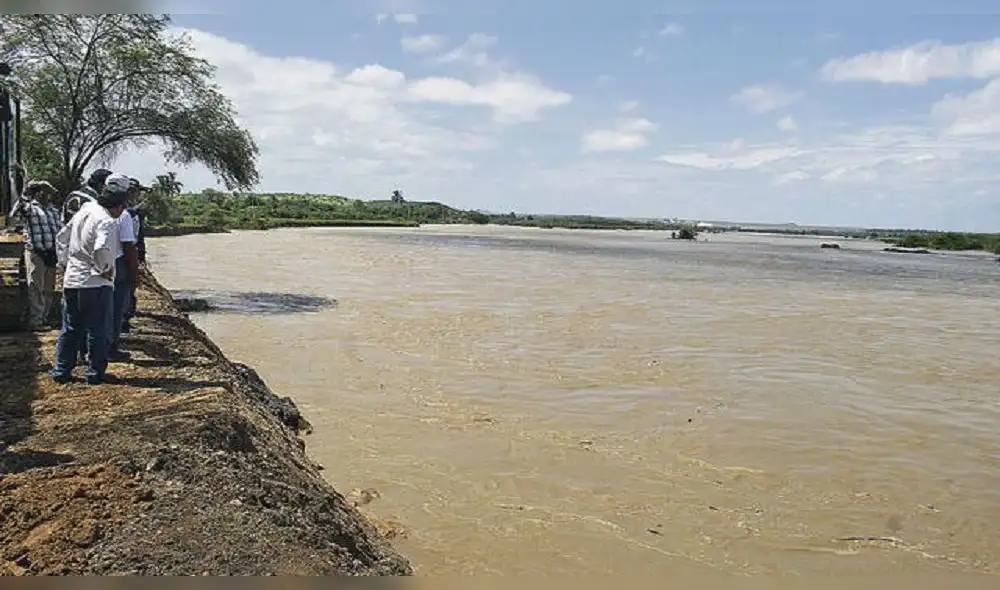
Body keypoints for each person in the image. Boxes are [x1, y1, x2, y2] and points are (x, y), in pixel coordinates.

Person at [50, 180, 128, 385]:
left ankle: (61, 370)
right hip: (95, 284)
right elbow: (102, 248)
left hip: (72, 280)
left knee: (71, 327)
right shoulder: (107, 220)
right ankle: (95, 373)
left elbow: (61, 237)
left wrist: (64, 263)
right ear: (119, 206)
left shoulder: (84, 210)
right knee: (98, 330)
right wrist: (105, 270)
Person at [9, 180, 62, 330]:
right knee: (35, 286)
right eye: (43, 191)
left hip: (51, 252)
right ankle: (36, 320)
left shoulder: (53, 210)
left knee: (48, 289)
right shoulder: (30, 208)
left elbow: (60, 230)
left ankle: (44, 318)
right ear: (37, 193)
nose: (46, 195)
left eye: (48, 192)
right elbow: (14, 216)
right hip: (35, 251)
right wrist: (25, 195)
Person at [105, 174, 139, 360]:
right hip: (118, 264)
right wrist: (134, 275)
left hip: (96, 263)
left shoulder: (92, 210)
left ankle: (90, 349)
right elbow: (129, 247)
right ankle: (111, 349)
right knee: (117, 309)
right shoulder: (123, 215)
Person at [121, 178, 146, 333]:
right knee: (125, 289)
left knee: (129, 290)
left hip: (132, 251)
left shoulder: (133, 211)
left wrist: (141, 254)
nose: (138, 194)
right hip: (123, 254)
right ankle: (122, 323)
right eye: (137, 191)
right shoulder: (124, 210)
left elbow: (139, 233)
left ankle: (125, 321)